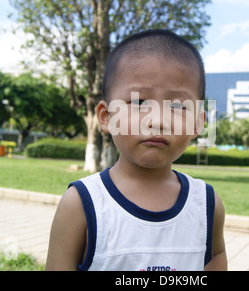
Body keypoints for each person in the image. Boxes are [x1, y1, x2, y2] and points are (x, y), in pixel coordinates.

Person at [46, 29, 227, 271]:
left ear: (197, 123)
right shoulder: (82, 204)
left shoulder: (206, 204)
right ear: (106, 116)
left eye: (177, 105)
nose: (158, 120)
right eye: (140, 102)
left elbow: (215, 255)